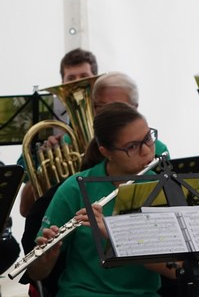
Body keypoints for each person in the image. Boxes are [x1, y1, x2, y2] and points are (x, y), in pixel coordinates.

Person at [26, 102, 176, 296]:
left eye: (148, 138)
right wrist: (46, 258)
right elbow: (36, 273)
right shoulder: (76, 188)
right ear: (106, 152)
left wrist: (116, 235)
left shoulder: (162, 186)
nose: (147, 150)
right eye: (132, 146)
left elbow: (175, 269)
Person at [18, 48, 100, 217]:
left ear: (95, 81)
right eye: (71, 78)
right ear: (62, 82)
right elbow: (25, 210)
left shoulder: (111, 132)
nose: (77, 84)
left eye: (84, 77)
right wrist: (45, 168)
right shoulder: (43, 134)